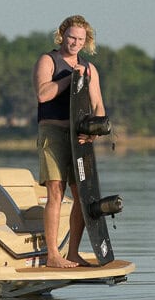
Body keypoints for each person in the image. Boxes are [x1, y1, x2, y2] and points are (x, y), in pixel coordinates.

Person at [34, 15, 104, 267]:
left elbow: (97, 104)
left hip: (79, 136)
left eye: (80, 39)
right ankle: (53, 255)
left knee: (82, 194)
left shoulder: (89, 68)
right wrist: (71, 78)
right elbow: (43, 95)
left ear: (87, 42)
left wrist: (95, 129)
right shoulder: (48, 60)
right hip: (52, 132)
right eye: (72, 37)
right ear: (62, 34)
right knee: (56, 191)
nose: (75, 42)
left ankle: (72, 252)